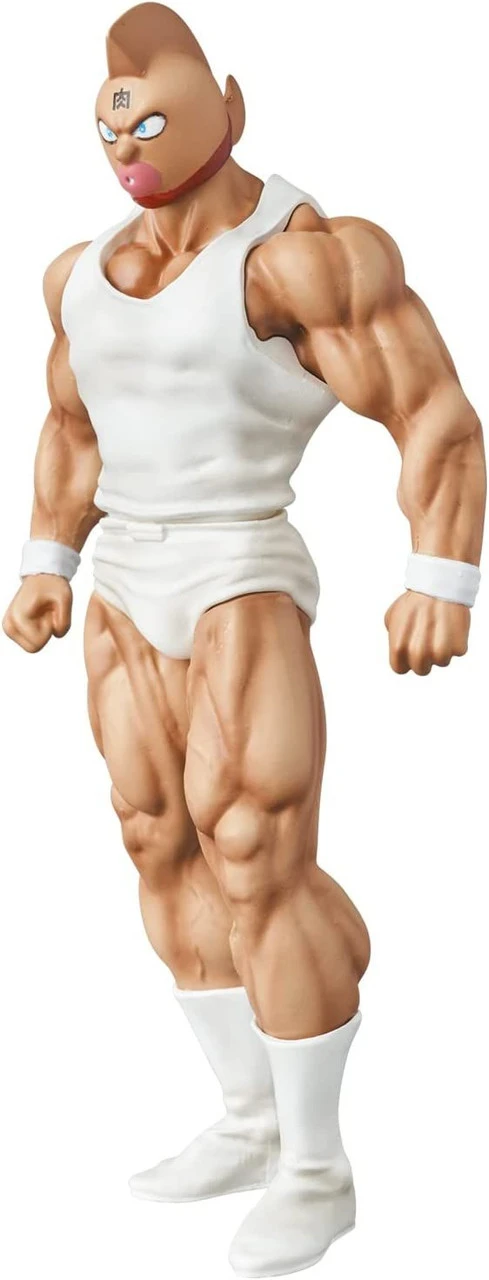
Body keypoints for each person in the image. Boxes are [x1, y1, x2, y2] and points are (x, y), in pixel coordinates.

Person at [3, 5, 485, 1276]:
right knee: (156, 837)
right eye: (109, 129)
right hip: (123, 575)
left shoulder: (302, 260)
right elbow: (72, 426)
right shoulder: (81, 271)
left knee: (255, 845)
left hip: (239, 572)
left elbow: (434, 409)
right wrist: (48, 560)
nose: (128, 149)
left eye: (152, 120)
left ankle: (318, 1169)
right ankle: (249, 1115)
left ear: (230, 104)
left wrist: (441, 572)